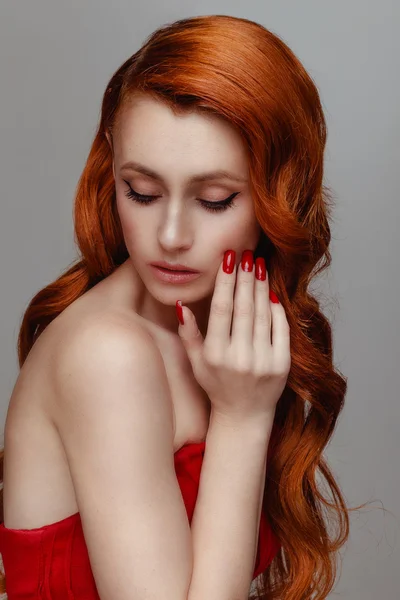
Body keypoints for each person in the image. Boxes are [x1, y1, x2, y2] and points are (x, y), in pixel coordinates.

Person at [0, 14, 362, 600]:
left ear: (280, 193)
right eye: (140, 191)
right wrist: (242, 422)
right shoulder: (107, 355)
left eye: (215, 200)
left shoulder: (231, 337)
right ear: (111, 168)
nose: (170, 234)